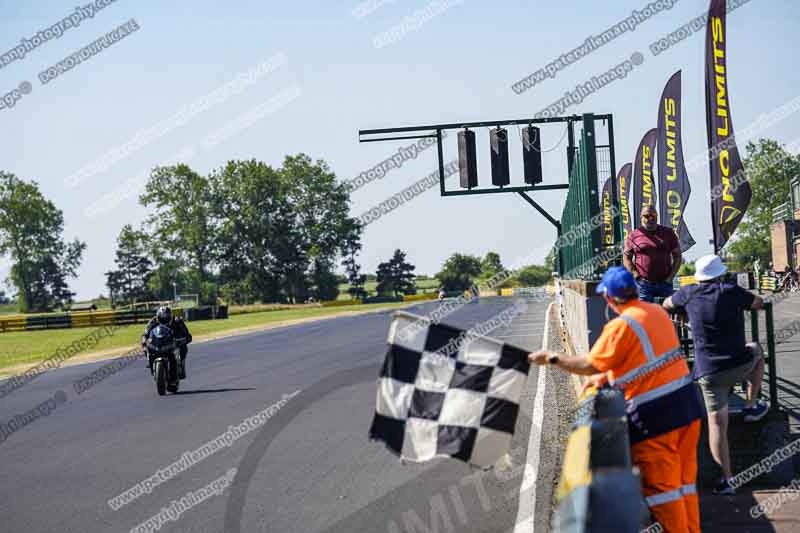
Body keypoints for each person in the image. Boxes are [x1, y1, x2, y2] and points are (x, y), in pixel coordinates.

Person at [530, 266, 703, 533]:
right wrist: (610, 377)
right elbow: (645, 361)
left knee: (664, 492)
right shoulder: (656, 312)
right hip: (688, 409)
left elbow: (589, 365)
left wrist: (553, 358)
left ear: (609, 299)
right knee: (685, 484)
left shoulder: (621, 326)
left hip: (656, 420)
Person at [663, 255, 768, 495]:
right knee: (757, 350)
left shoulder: (689, 293)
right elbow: (759, 302)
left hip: (708, 373)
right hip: (738, 365)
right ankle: (751, 405)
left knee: (717, 426)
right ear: (720, 274)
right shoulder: (731, 291)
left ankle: (727, 481)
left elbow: (667, 303)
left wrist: (683, 310)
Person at [623, 205, 682, 302]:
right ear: (641, 217)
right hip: (643, 286)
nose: (650, 218)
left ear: (657, 217)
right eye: (647, 216)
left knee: (666, 314)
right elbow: (626, 258)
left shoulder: (668, 233)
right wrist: (636, 276)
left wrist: (670, 278)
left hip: (665, 284)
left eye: (653, 216)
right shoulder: (633, 236)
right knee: (644, 315)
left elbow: (678, 256)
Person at [141, 306, 193, 379]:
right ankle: (150, 361)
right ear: (158, 317)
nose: (164, 319)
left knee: (183, 347)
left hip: (174, 341)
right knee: (146, 347)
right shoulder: (153, 321)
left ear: (170, 316)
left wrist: (185, 339)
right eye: (162, 318)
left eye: (166, 318)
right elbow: (145, 334)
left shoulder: (177, 321)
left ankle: (181, 364)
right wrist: (144, 341)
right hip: (158, 342)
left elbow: (187, 334)